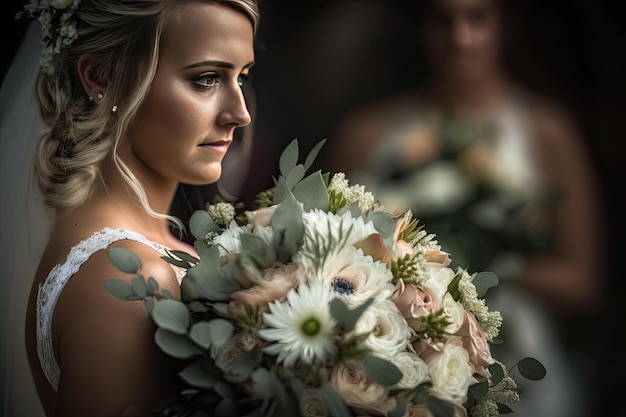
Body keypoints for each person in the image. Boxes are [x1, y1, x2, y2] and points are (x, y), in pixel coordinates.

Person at [325, 0, 606, 416]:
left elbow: (583, 281)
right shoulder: (364, 133)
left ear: (504, 23)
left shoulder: (548, 132)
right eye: (442, 20)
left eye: (477, 17)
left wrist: (486, 264)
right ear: (420, 27)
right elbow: (326, 257)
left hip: (517, 365)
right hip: (393, 359)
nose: (460, 40)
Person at [0, 0, 259, 416]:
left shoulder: (132, 253)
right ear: (100, 76)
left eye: (242, 77)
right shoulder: (128, 277)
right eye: (206, 79)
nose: (240, 114)